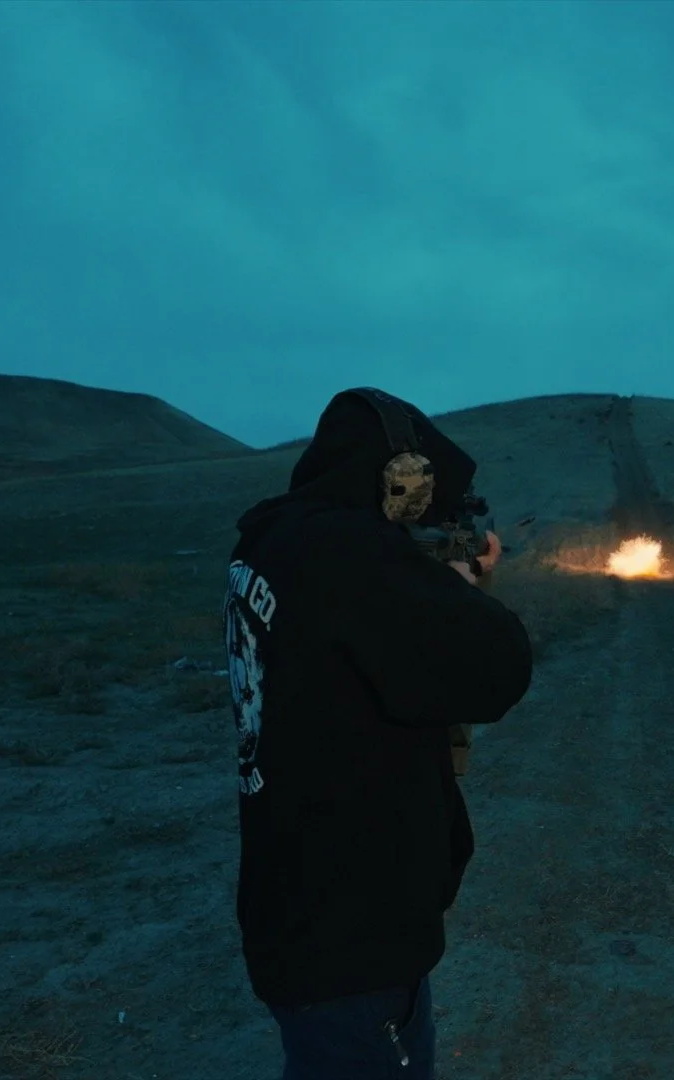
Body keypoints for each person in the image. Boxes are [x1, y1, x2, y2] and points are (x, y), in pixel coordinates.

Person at [224, 387, 533, 1079]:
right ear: (397, 479)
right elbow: (496, 670)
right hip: (351, 925)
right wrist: (459, 585)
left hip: (298, 893)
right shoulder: (348, 556)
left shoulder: (274, 538)